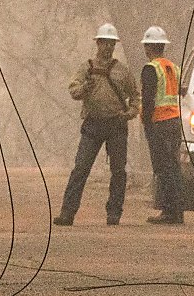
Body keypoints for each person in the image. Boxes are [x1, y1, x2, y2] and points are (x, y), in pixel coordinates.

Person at [55, 22, 138, 226]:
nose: (108, 47)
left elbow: (135, 97)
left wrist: (130, 113)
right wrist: (85, 87)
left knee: (118, 171)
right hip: (93, 125)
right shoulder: (87, 68)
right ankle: (67, 213)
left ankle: (114, 214)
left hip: (116, 125)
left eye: (111, 44)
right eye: (105, 43)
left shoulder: (122, 71)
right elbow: (73, 91)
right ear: (98, 43)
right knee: (80, 169)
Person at [139, 26, 184, 224]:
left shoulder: (151, 69)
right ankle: (177, 210)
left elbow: (148, 100)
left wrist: (146, 122)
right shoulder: (174, 68)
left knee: (163, 168)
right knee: (174, 167)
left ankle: (169, 211)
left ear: (148, 47)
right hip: (175, 122)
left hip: (159, 124)